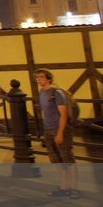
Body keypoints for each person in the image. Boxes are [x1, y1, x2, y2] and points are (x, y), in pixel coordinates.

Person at [34, 69, 77, 198]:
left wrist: (60, 132)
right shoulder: (42, 92)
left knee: (68, 159)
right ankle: (64, 187)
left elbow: (63, 114)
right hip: (48, 130)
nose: (38, 79)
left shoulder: (56, 93)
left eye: (41, 77)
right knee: (57, 160)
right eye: (37, 77)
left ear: (49, 79)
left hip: (59, 129)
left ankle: (73, 189)